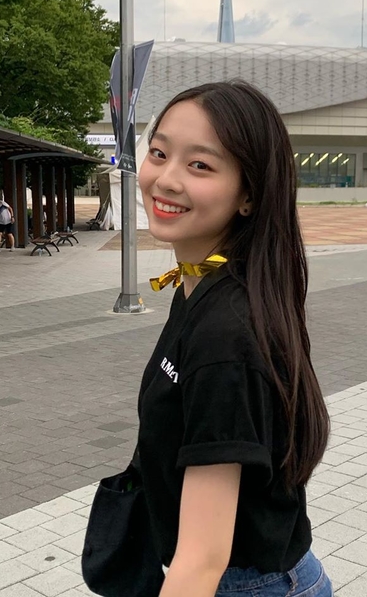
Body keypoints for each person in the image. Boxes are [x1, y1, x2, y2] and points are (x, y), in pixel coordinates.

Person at [136, 81, 333, 597]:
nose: (166, 179)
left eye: (200, 165)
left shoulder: (226, 331)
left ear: (249, 195)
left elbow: (203, 559)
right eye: (159, 153)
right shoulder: (203, 283)